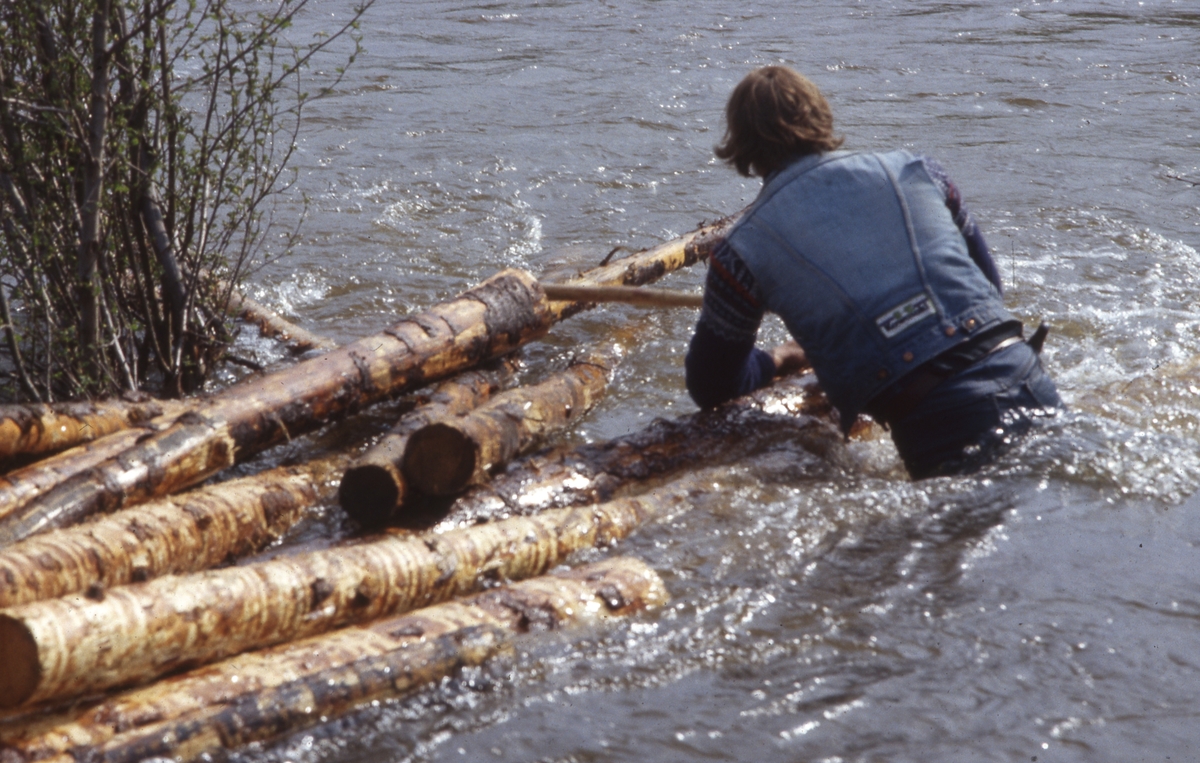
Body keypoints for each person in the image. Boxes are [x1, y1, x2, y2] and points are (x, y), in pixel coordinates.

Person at [685, 66, 1061, 479]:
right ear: (821, 116)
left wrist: (779, 357)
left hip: (939, 421)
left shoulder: (738, 253)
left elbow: (712, 387)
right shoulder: (920, 171)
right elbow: (988, 287)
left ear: (740, 143)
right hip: (1023, 371)